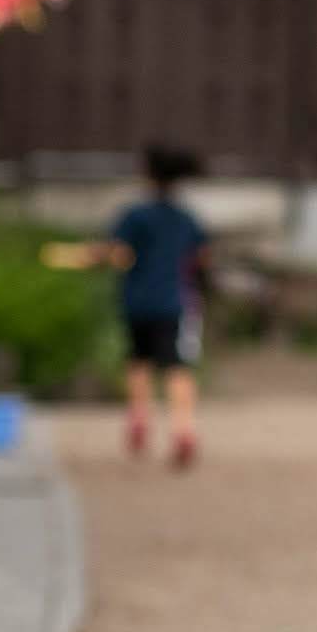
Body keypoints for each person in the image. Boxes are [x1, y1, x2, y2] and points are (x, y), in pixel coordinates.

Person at [105, 143, 210, 468]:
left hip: (137, 301)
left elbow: (118, 255)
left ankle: (139, 417)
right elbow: (201, 258)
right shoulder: (186, 219)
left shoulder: (134, 215)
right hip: (173, 302)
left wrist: (98, 256)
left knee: (138, 360)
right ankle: (183, 429)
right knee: (178, 366)